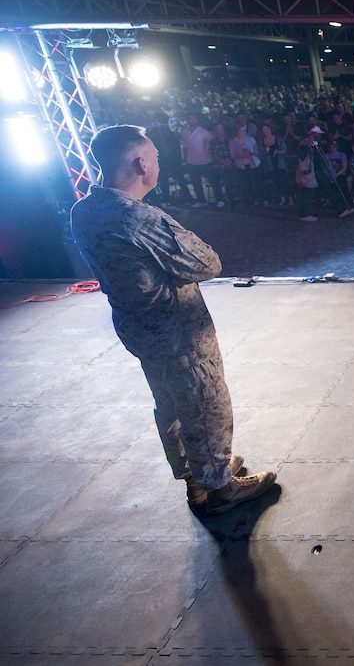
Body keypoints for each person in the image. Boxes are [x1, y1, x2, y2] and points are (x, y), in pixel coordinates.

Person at [69, 125, 277, 514]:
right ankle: (219, 486)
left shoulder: (84, 211)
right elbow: (207, 262)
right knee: (204, 404)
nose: (159, 165)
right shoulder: (140, 219)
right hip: (179, 333)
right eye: (157, 158)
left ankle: (194, 476)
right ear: (141, 163)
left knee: (170, 404)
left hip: (139, 329)